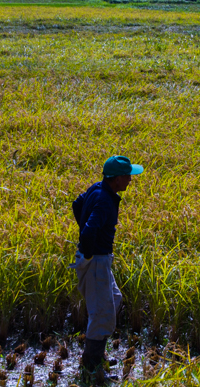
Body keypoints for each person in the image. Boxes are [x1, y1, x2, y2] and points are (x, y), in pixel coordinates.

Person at [71, 155, 144, 376]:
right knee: (101, 313)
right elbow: (89, 230)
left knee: (114, 299)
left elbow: (77, 204)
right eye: (128, 176)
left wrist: (87, 237)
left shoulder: (99, 189)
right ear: (117, 179)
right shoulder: (104, 200)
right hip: (96, 261)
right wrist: (90, 254)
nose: (131, 180)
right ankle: (92, 364)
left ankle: (96, 355)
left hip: (100, 260)